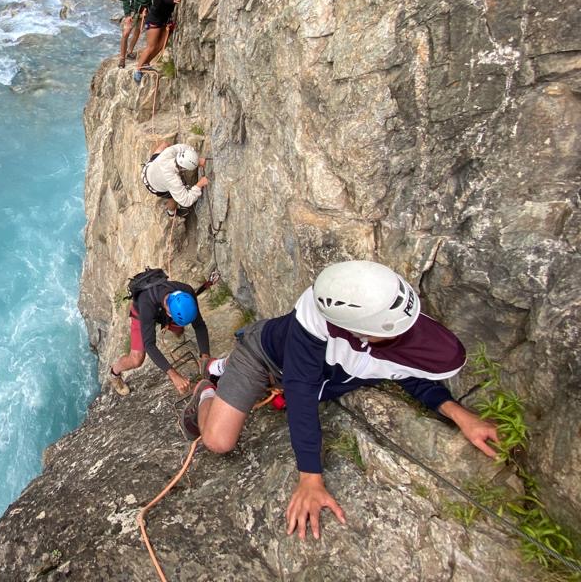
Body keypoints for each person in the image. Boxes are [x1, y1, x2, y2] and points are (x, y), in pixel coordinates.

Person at [179, 260, 500, 540]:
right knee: (218, 441)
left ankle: (220, 370)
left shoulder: (392, 319)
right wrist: (310, 477)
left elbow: (406, 373)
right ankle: (206, 389)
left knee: (242, 405)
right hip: (262, 356)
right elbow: (302, 393)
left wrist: (460, 415)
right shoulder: (317, 321)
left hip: (290, 370)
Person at [109, 271, 211, 397]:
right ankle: (114, 373)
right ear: (169, 314)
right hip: (141, 314)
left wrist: (205, 356)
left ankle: (177, 331)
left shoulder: (187, 292)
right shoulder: (146, 304)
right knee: (137, 359)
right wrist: (174, 375)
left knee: (179, 329)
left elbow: (199, 325)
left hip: (163, 309)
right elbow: (149, 345)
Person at [134, 0, 181, 82]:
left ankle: (146, 63)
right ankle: (138, 69)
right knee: (151, 46)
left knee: (161, 46)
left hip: (164, 18)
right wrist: (174, 0)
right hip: (155, 18)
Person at [141, 142, 209, 217]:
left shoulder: (168, 152)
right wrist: (200, 184)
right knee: (173, 198)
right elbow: (186, 200)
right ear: (184, 168)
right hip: (152, 184)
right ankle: (171, 212)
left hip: (149, 168)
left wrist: (197, 160)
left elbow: (184, 148)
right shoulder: (173, 180)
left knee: (164, 144)